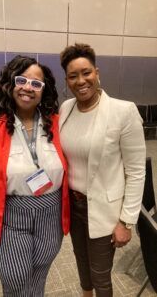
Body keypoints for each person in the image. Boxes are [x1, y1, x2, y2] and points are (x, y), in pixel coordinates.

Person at [0, 55, 70, 297]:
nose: (29, 88)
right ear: (11, 83)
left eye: (36, 84)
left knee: (39, 272)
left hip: (50, 213)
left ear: (43, 90)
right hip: (12, 213)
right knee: (15, 277)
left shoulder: (56, 123)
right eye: (22, 80)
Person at [59, 43, 146, 297]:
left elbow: (137, 171)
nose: (81, 81)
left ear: (97, 72)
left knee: (100, 275)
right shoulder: (66, 109)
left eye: (86, 72)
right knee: (82, 267)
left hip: (105, 210)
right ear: (67, 80)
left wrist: (126, 221)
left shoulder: (123, 111)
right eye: (73, 76)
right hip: (74, 207)